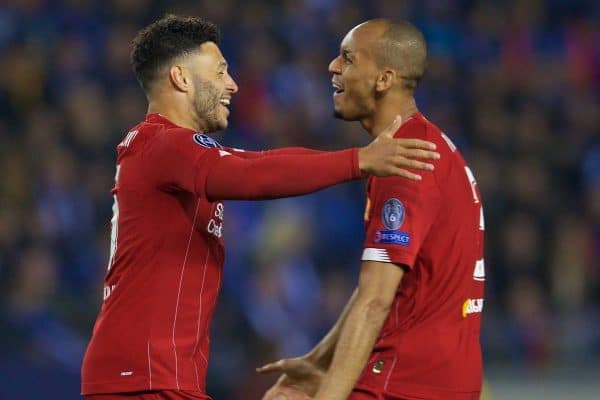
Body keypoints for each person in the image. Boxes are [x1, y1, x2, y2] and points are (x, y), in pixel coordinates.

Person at [80, 15, 440, 400]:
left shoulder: (176, 154)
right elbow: (254, 173)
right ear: (182, 79)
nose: (232, 84)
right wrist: (360, 160)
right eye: (220, 72)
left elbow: (252, 163)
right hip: (142, 377)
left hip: (158, 376)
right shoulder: (161, 144)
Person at [258, 19, 484, 400]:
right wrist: (318, 361)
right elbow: (378, 288)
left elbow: (375, 301)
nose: (332, 66)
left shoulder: (405, 160)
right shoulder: (426, 145)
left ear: (383, 80)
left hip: (405, 379)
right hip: (443, 376)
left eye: (347, 58)